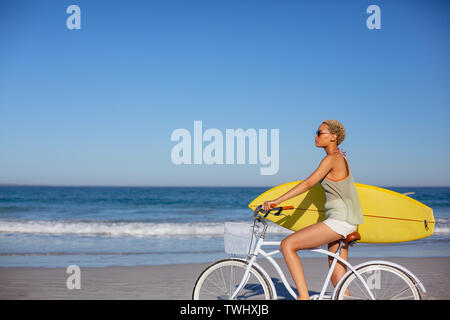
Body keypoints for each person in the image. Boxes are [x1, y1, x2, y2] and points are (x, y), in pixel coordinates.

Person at [262, 120, 364, 300]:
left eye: (319, 132)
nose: (315, 136)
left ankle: (303, 297)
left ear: (333, 137)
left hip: (340, 220)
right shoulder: (340, 157)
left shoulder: (332, 158)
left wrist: (276, 201)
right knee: (338, 279)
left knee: (287, 245)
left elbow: (308, 183)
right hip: (348, 220)